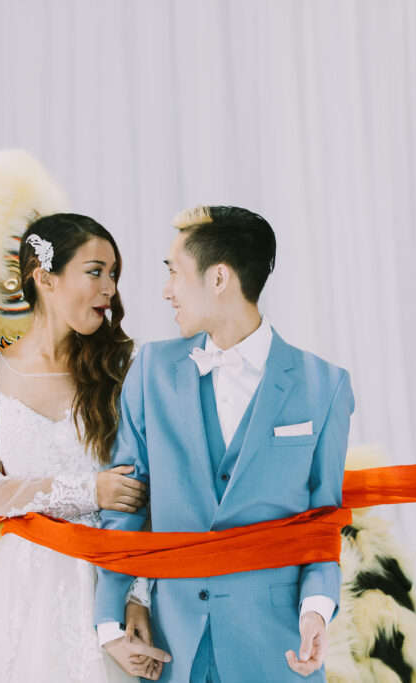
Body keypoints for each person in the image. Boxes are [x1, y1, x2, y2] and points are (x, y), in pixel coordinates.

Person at [95, 206, 354, 682]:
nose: (166, 290)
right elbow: (126, 505)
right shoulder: (151, 369)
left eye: (174, 272)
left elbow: (323, 521)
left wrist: (316, 610)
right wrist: (111, 620)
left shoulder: (325, 386)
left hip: (275, 647)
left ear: (219, 278)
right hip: (171, 645)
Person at [0, 213, 163, 682]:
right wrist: (89, 491)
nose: (109, 288)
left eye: (113, 274)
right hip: (20, 590)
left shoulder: (126, 368)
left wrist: (137, 596)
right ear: (44, 277)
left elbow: (148, 496)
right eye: (95, 271)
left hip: (107, 580)